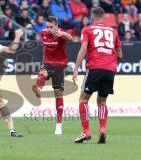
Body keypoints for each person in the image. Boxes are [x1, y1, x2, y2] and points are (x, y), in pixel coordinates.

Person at [72, 7, 123, 144]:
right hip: (110, 70)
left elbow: (83, 49)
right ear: (104, 17)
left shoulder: (88, 29)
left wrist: (76, 69)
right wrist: (110, 60)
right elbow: (120, 54)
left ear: (92, 17)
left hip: (94, 67)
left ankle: (86, 131)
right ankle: (102, 130)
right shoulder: (113, 31)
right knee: (102, 102)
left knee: (83, 99)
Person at [32, 16, 73, 135]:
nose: (49, 29)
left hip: (60, 65)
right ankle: (38, 89)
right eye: (47, 27)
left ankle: (59, 125)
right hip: (48, 62)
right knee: (42, 72)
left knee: (58, 93)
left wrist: (60, 34)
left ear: (56, 26)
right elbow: (45, 46)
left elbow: (70, 38)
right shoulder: (43, 33)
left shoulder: (61, 33)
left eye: (51, 27)